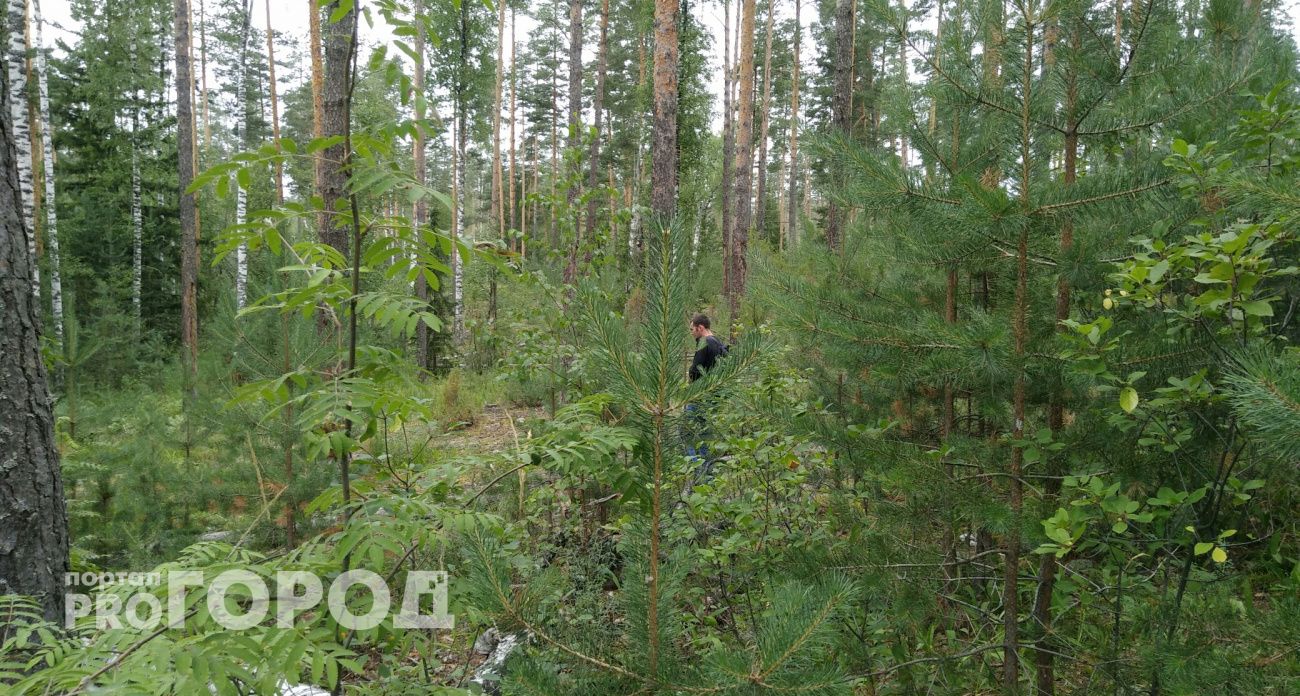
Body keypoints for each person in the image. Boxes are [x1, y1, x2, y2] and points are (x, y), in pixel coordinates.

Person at [684, 314, 727, 478]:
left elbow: (695, 371)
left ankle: (697, 468)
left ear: (700, 327)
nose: (691, 333)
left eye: (692, 329)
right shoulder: (717, 343)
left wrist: (691, 388)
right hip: (712, 395)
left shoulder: (704, 343)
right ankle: (707, 471)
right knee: (704, 433)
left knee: (686, 431)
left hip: (699, 394)